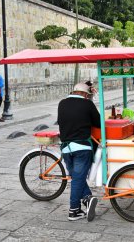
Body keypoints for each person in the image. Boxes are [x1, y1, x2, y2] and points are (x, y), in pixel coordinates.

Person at [57, 83, 101, 221]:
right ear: (84, 94)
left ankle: (87, 198)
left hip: (66, 148)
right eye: (88, 95)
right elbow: (99, 123)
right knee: (78, 179)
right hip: (82, 148)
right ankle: (74, 210)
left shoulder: (62, 103)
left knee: (77, 177)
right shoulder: (87, 104)